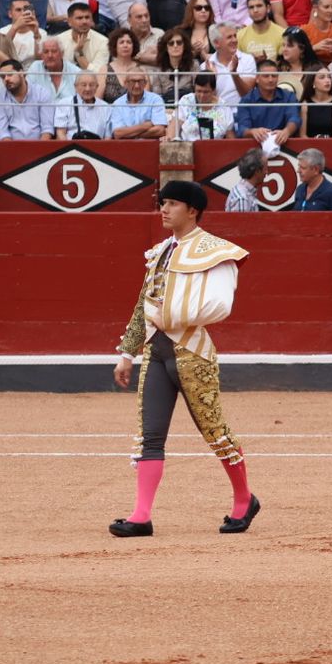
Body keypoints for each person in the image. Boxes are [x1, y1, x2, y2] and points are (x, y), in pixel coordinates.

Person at [109, 180, 259, 539]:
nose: (164, 209)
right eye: (163, 202)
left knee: (214, 431)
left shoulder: (215, 251)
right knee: (150, 436)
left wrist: (170, 317)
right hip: (156, 352)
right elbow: (143, 304)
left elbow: (220, 305)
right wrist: (127, 353)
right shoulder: (160, 251)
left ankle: (244, 499)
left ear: (192, 211)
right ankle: (141, 516)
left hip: (192, 353)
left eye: (172, 203)